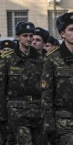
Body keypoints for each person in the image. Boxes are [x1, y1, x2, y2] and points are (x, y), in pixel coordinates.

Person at [0, 22, 44, 145]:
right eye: (25, 35)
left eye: (31, 35)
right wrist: (2, 116)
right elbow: (0, 89)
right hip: (17, 111)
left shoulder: (41, 60)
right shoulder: (7, 59)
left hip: (37, 110)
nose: (29, 39)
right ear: (18, 37)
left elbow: (46, 87)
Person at [41, 12, 73, 144]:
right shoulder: (53, 59)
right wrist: (49, 124)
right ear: (62, 34)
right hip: (63, 119)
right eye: (71, 30)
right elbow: (46, 94)